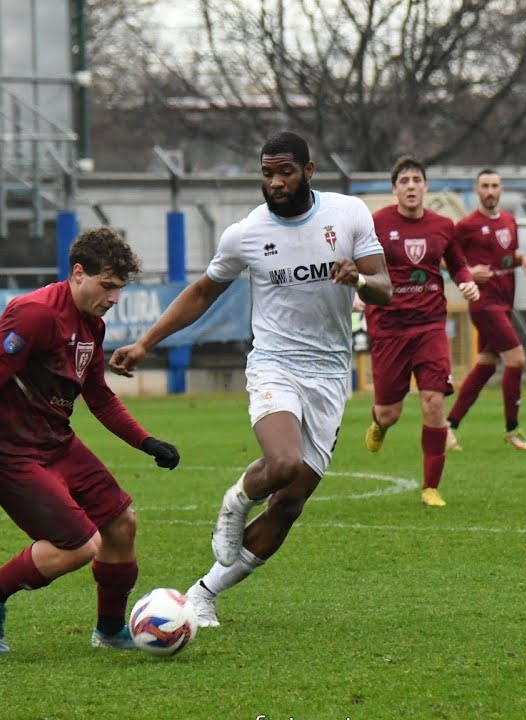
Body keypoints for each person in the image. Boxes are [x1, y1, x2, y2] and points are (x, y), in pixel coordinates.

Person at [108, 131, 391, 627]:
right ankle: (236, 499)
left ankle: (202, 593)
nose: (276, 182)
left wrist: (360, 281)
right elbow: (201, 292)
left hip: (329, 373)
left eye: (285, 172)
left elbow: (384, 288)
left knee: (290, 503)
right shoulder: (245, 233)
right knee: (281, 464)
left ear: (309, 170)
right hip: (274, 363)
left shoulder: (349, 214)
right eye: (267, 173)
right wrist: (145, 344)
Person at [0, 227, 182, 655]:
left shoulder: (91, 325)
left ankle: (111, 631)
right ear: (78, 273)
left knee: (122, 523)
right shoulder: (34, 314)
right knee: (81, 546)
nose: (114, 298)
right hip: (11, 452)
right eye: (108, 285)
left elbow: (98, 395)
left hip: (56, 443)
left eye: (119, 288)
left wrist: (146, 442)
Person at [363, 156, 480, 507]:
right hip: (389, 327)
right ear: (394, 189)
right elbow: (362, 264)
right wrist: (359, 292)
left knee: (433, 402)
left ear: (425, 187)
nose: (411, 186)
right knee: (390, 412)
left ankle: (431, 486)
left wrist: (467, 283)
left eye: (417, 180)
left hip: (430, 326)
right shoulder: (377, 224)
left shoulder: (444, 226)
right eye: (405, 181)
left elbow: (457, 264)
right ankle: (379, 424)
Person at [444, 169, 526, 451]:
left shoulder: (510, 220)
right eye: (484, 186)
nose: (490, 191)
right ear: (476, 190)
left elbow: (507, 255)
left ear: (501, 190)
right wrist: (469, 273)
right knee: (517, 359)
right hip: (484, 304)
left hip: (505, 299)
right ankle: (513, 429)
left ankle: (449, 426)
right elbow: (445, 258)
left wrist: (525, 260)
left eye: (494, 186)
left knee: (487, 365)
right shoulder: (466, 225)